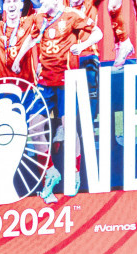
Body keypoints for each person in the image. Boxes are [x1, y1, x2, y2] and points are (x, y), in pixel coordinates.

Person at [25, 0, 101, 204]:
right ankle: (50, 170)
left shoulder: (71, 15)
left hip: (66, 80)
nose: (40, 2)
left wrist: (82, 45)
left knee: (69, 127)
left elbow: (98, 33)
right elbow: (30, 40)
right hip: (45, 83)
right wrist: (18, 59)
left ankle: (75, 172)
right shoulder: (39, 17)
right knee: (32, 124)